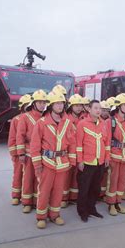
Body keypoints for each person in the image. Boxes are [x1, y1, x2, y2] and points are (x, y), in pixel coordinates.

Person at [30, 91, 76, 229]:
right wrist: (37, 164)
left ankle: (55, 215)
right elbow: (35, 145)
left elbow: (72, 143)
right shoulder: (42, 123)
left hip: (62, 163)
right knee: (44, 191)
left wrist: (72, 161)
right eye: (57, 103)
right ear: (50, 105)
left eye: (62, 103)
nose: (60, 105)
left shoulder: (68, 123)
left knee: (58, 191)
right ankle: (41, 216)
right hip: (47, 162)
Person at [76, 100, 111, 222]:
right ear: (89, 109)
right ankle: (82, 211)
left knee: (95, 189)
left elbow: (106, 143)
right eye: (95, 108)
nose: (98, 110)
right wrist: (79, 160)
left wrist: (107, 157)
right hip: (87, 162)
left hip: (100, 162)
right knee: (84, 189)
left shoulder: (103, 124)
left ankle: (92, 209)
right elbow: (79, 144)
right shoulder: (82, 124)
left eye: (100, 108)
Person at [16, 90, 48, 213]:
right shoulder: (25, 117)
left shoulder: (46, 117)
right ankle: (26, 202)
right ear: (33, 103)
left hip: (43, 154)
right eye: (39, 102)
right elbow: (20, 136)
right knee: (28, 178)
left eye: (44, 102)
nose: (42, 105)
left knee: (40, 179)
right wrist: (21, 153)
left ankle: (36, 201)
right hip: (29, 154)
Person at [106, 93, 125, 216]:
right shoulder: (111, 121)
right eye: (124, 104)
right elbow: (107, 140)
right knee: (113, 181)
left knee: (122, 181)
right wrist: (107, 156)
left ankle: (118, 202)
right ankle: (111, 204)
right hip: (114, 156)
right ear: (118, 106)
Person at [7, 94, 32, 205]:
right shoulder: (16, 120)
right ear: (22, 107)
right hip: (19, 153)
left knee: (28, 177)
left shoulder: (34, 118)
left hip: (29, 153)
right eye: (27, 105)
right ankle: (16, 196)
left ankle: (27, 197)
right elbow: (12, 138)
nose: (29, 107)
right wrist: (15, 154)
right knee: (18, 174)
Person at [63, 94, 85, 205]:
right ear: (71, 106)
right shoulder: (65, 119)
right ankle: (63, 198)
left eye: (80, 105)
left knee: (78, 175)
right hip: (67, 151)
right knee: (66, 175)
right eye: (76, 105)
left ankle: (73, 197)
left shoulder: (84, 118)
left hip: (80, 151)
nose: (79, 108)